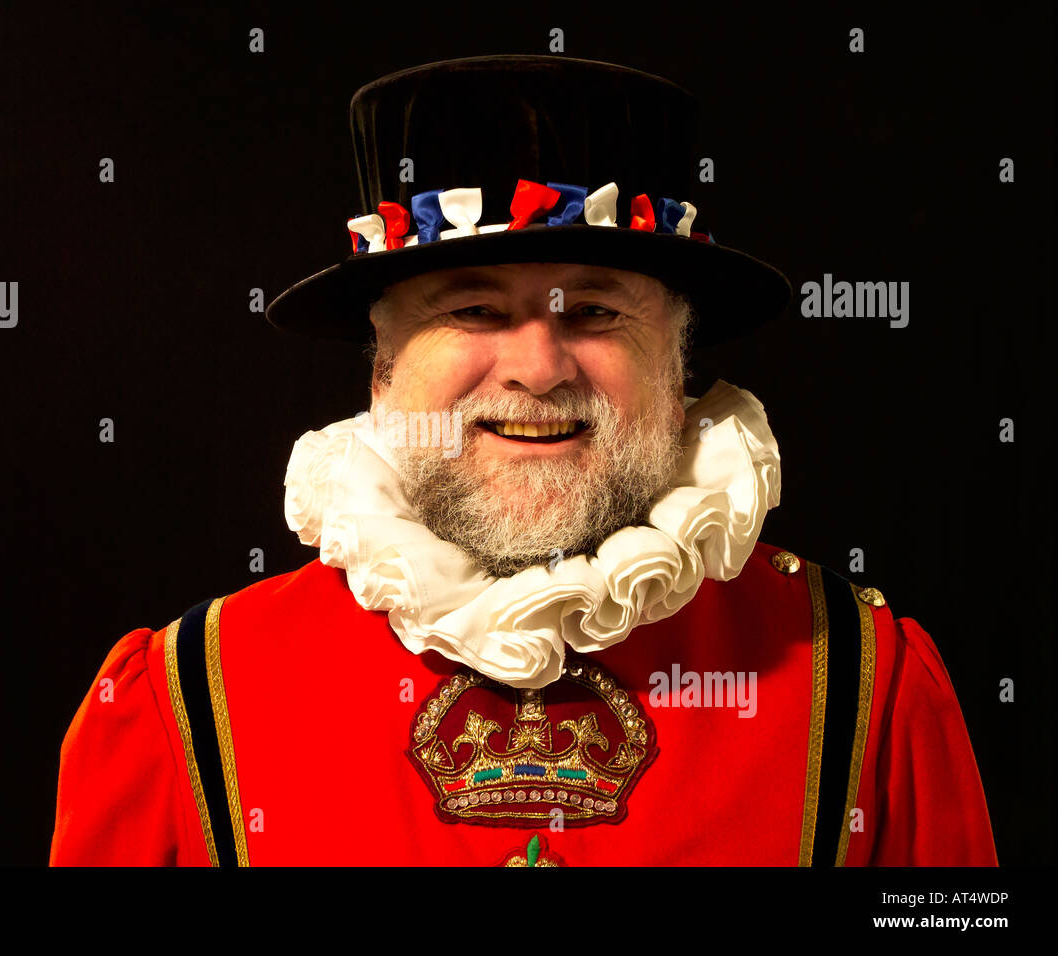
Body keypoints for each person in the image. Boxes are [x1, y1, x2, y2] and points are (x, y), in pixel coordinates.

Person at [48, 55, 996, 866]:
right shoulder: (178, 708)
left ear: (677, 362)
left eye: (595, 311)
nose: (538, 370)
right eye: (472, 309)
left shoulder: (870, 690)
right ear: (383, 368)